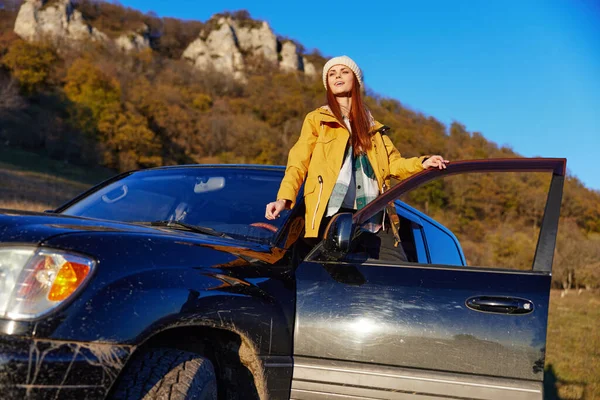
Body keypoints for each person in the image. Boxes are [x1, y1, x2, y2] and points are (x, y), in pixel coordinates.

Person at [265, 56, 448, 261]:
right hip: (332, 214)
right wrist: (283, 199)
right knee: (333, 279)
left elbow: (394, 164)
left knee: (398, 273)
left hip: (374, 213)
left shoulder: (374, 128)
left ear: (356, 80)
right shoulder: (318, 119)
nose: (337, 77)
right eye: (332, 74)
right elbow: (298, 161)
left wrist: (423, 163)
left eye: (344, 72)